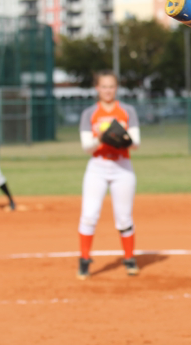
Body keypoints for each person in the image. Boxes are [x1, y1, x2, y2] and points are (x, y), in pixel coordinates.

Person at [77, 71, 141, 280]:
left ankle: (129, 259)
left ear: (116, 88)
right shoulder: (89, 113)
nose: (108, 90)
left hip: (122, 167)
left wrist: (121, 138)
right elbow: (87, 146)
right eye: (104, 86)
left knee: (123, 218)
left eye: (111, 86)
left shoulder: (127, 110)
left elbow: (136, 143)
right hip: (97, 166)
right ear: (97, 88)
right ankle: (84, 260)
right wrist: (103, 138)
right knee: (89, 214)